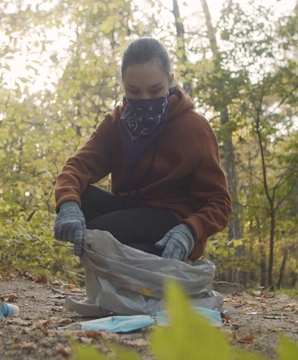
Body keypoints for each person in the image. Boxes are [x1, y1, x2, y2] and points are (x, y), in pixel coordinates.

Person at [53, 37, 231, 262]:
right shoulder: (116, 123)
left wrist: (190, 230)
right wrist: (68, 205)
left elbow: (219, 202)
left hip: (174, 220)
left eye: (155, 90)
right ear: (123, 85)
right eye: (134, 92)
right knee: (79, 198)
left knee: (100, 233)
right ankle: (138, 259)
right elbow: (77, 167)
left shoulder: (194, 128)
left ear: (170, 81)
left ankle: (160, 261)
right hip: (129, 211)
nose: (144, 100)